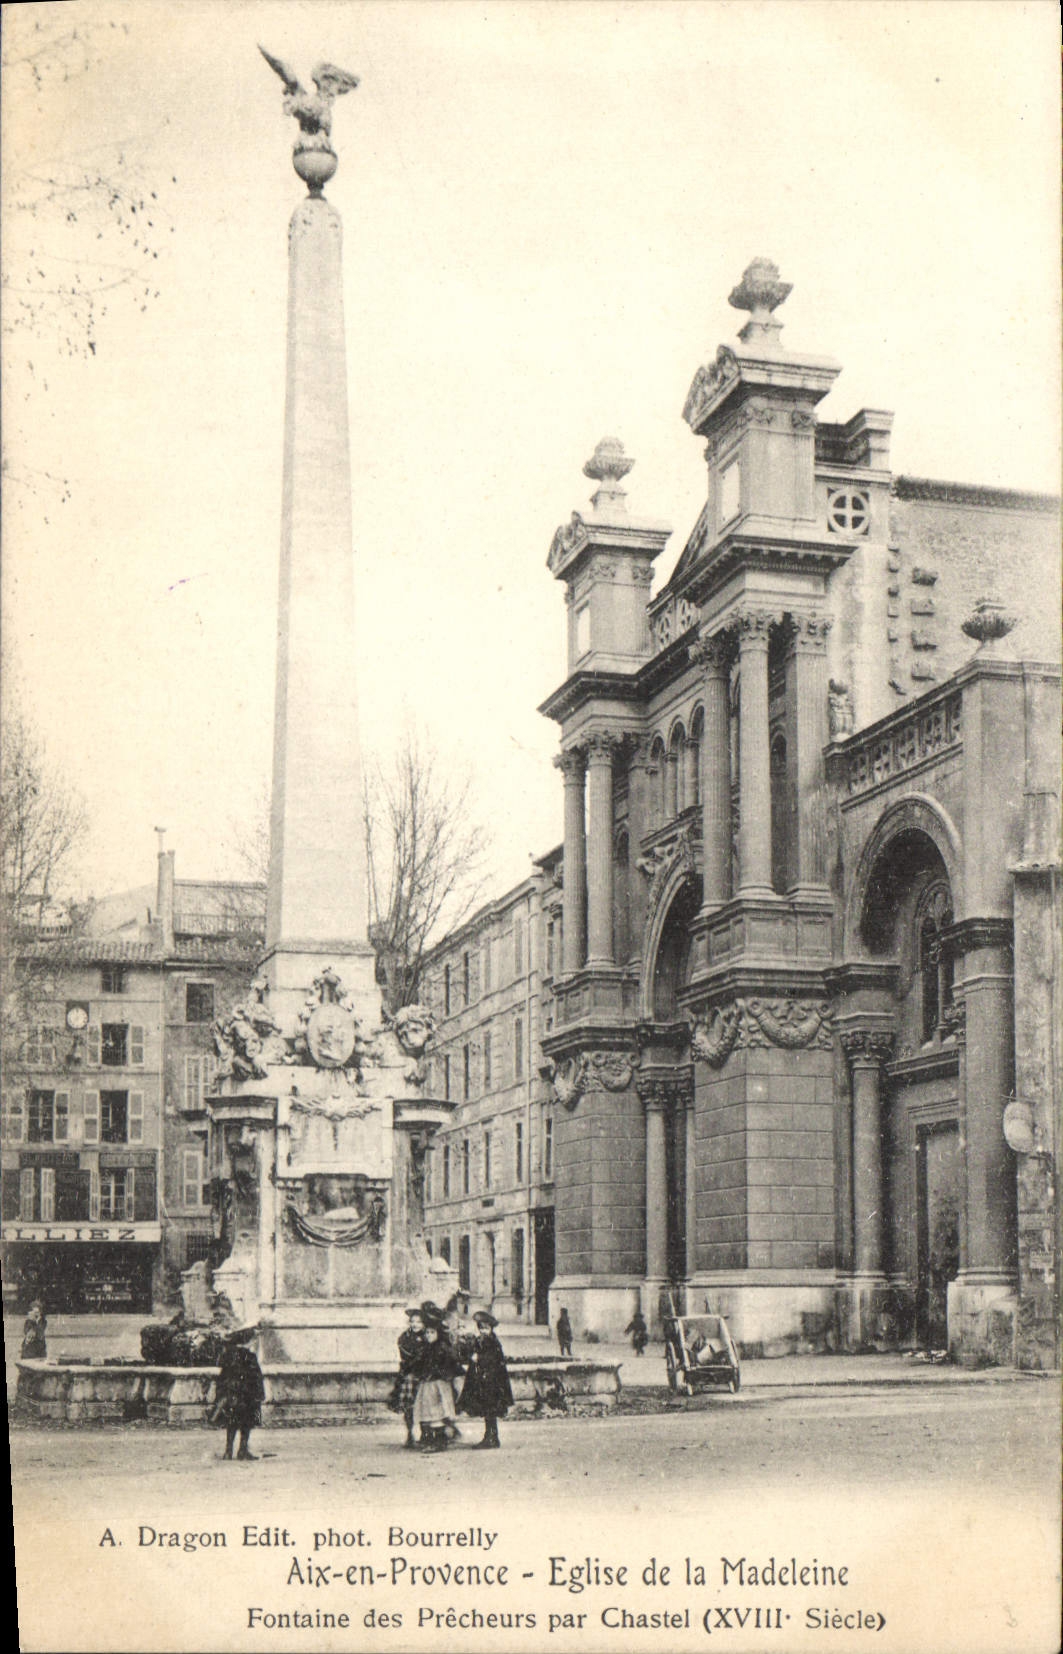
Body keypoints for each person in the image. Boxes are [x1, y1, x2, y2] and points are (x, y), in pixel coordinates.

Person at [411, 1302, 464, 1452]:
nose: (429, 1336)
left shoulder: (442, 1348)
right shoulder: (425, 1348)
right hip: (427, 1384)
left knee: (438, 1412)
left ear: (438, 1333)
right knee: (427, 1411)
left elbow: (449, 1364)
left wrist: (441, 1374)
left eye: (432, 1333)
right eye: (427, 1333)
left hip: (438, 1384)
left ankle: (439, 1441)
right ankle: (430, 1439)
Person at [458, 1309, 514, 1449]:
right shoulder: (481, 1340)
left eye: (486, 1328)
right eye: (481, 1328)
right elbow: (469, 1354)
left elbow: (494, 1360)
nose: (483, 1331)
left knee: (490, 1410)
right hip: (483, 1381)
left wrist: (479, 1358)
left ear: (491, 1328)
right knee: (488, 1411)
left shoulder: (493, 1342)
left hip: (492, 1382)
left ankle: (492, 1437)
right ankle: (490, 1436)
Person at [214, 1326, 266, 1460]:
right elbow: (256, 1377)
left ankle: (228, 1451)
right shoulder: (250, 1356)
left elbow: (222, 1376)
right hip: (247, 1396)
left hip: (232, 1395)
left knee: (231, 1423)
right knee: (246, 1423)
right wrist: (260, 1395)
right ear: (248, 1341)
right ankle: (242, 1450)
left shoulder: (228, 1356)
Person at [388, 1306, 424, 1448]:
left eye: (419, 1322)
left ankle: (424, 1434)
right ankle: (410, 1434)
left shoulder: (427, 1335)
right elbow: (406, 1355)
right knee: (409, 1405)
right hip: (409, 1374)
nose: (415, 1324)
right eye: (412, 1321)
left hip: (422, 1375)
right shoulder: (404, 1337)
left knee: (424, 1405)